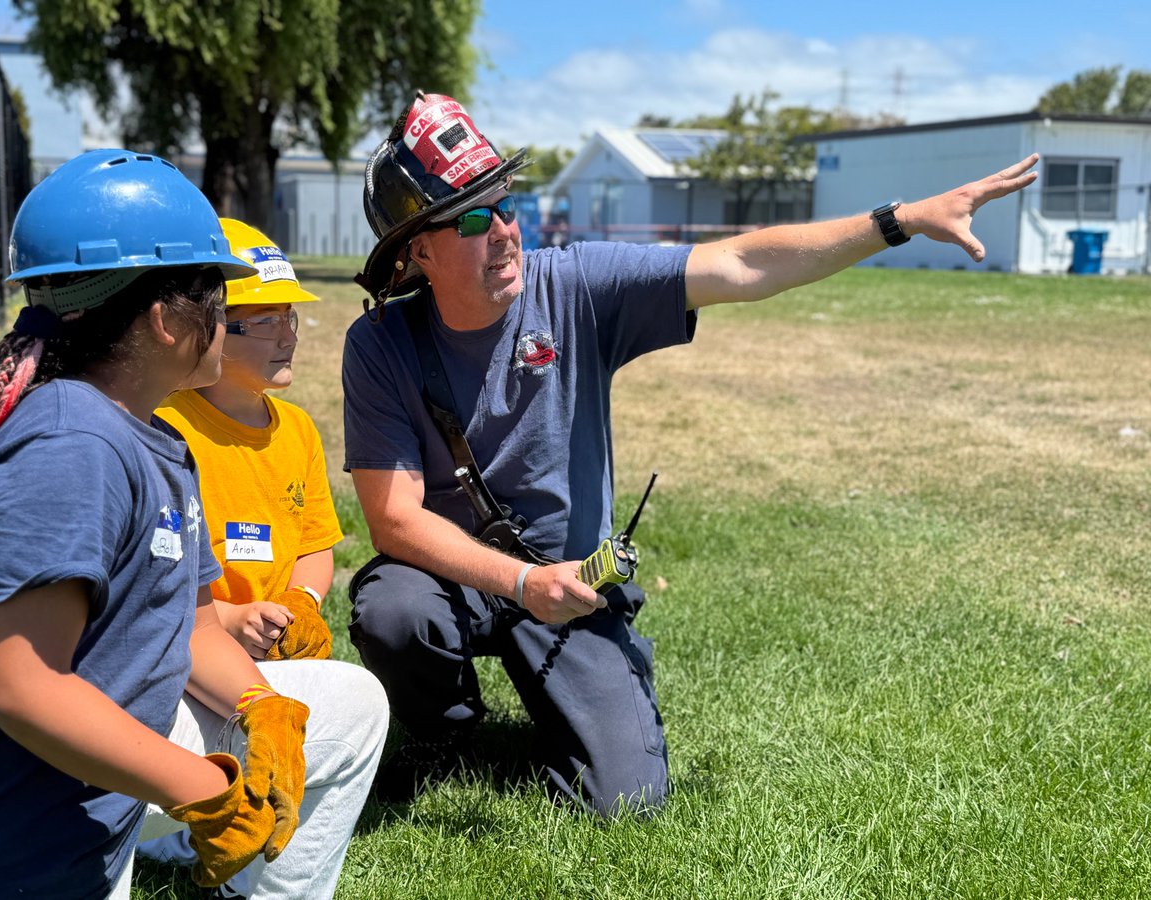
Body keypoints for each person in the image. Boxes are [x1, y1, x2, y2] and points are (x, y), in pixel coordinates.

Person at [341, 91, 1037, 817]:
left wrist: (896, 222)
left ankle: (600, 680)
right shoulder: (381, 344)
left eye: (508, 207)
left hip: (573, 581)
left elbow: (740, 264)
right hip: (457, 577)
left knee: (625, 804)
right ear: (418, 249)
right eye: (476, 219)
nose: (505, 233)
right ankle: (442, 733)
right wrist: (520, 583)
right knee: (394, 609)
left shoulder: (575, 286)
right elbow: (394, 520)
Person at [0, 149, 388, 899]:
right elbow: (20, 687)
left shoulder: (151, 435)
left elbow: (188, 626)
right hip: (28, 832)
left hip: (117, 762)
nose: (230, 313)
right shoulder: (72, 446)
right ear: (163, 319)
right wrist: (206, 791)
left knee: (350, 710)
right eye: (218, 294)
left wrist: (261, 705)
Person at [156, 218, 342, 662]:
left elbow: (315, 546)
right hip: (193, 650)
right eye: (266, 322)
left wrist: (303, 601)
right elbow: (155, 580)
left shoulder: (298, 430)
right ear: (210, 328)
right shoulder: (165, 431)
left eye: (289, 318)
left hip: (279, 644)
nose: (290, 336)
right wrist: (230, 619)